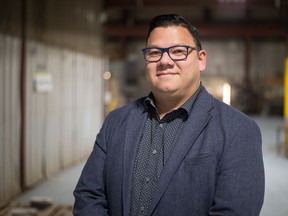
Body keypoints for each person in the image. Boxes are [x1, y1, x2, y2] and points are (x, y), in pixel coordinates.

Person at [73, 14, 265, 216]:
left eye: (178, 51)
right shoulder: (117, 121)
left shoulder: (239, 130)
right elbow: (88, 196)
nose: (165, 61)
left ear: (201, 60)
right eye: (155, 52)